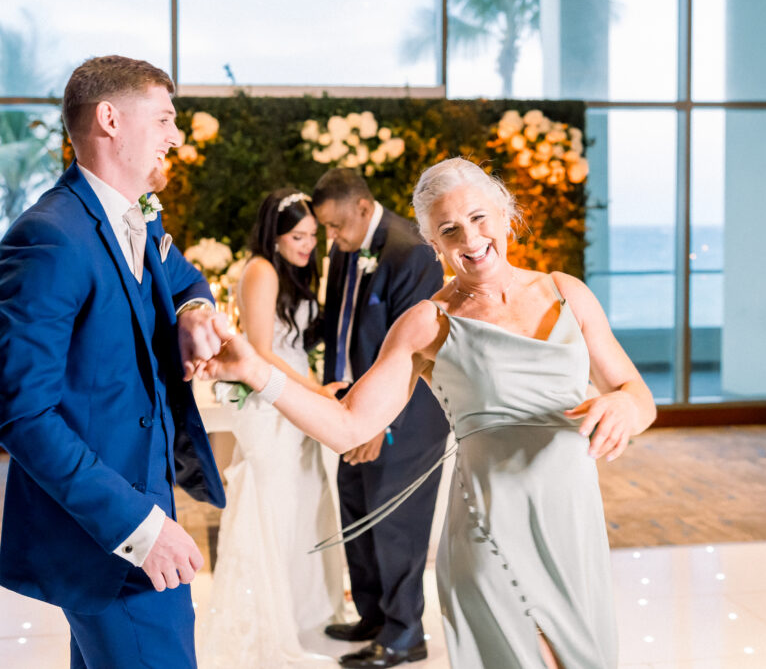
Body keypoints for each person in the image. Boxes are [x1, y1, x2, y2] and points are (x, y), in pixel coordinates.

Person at [201, 156, 657, 669]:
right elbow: (349, 423)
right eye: (450, 230)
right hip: (492, 537)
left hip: (575, 531)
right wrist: (257, 373)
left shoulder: (567, 292)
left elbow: (637, 393)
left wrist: (623, 404)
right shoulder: (428, 324)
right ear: (433, 244)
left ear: (506, 214)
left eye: (480, 218)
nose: (471, 238)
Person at [0, 55, 227, 668]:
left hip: (140, 511)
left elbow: (180, 277)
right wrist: (141, 530)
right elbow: (24, 417)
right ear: (111, 119)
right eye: (166, 119)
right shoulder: (49, 238)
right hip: (110, 535)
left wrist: (196, 309)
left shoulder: (139, 213)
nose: (176, 136)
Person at [197, 188, 347, 666]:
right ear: (275, 236)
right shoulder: (260, 270)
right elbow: (261, 351)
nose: (308, 246)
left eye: (311, 237)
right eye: (298, 237)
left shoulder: (294, 272)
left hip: (295, 395)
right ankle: (263, 620)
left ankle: (303, 612)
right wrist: (317, 390)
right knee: (272, 503)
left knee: (304, 500)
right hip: (272, 401)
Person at [311, 168, 450, 668]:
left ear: (364, 209)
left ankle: (405, 634)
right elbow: (341, 323)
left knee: (396, 524)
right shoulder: (345, 248)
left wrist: (378, 423)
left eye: (335, 226)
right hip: (350, 409)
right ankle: (372, 616)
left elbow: (415, 354)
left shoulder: (409, 251)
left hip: (403, 418)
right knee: (358, 517)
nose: (330, 237)